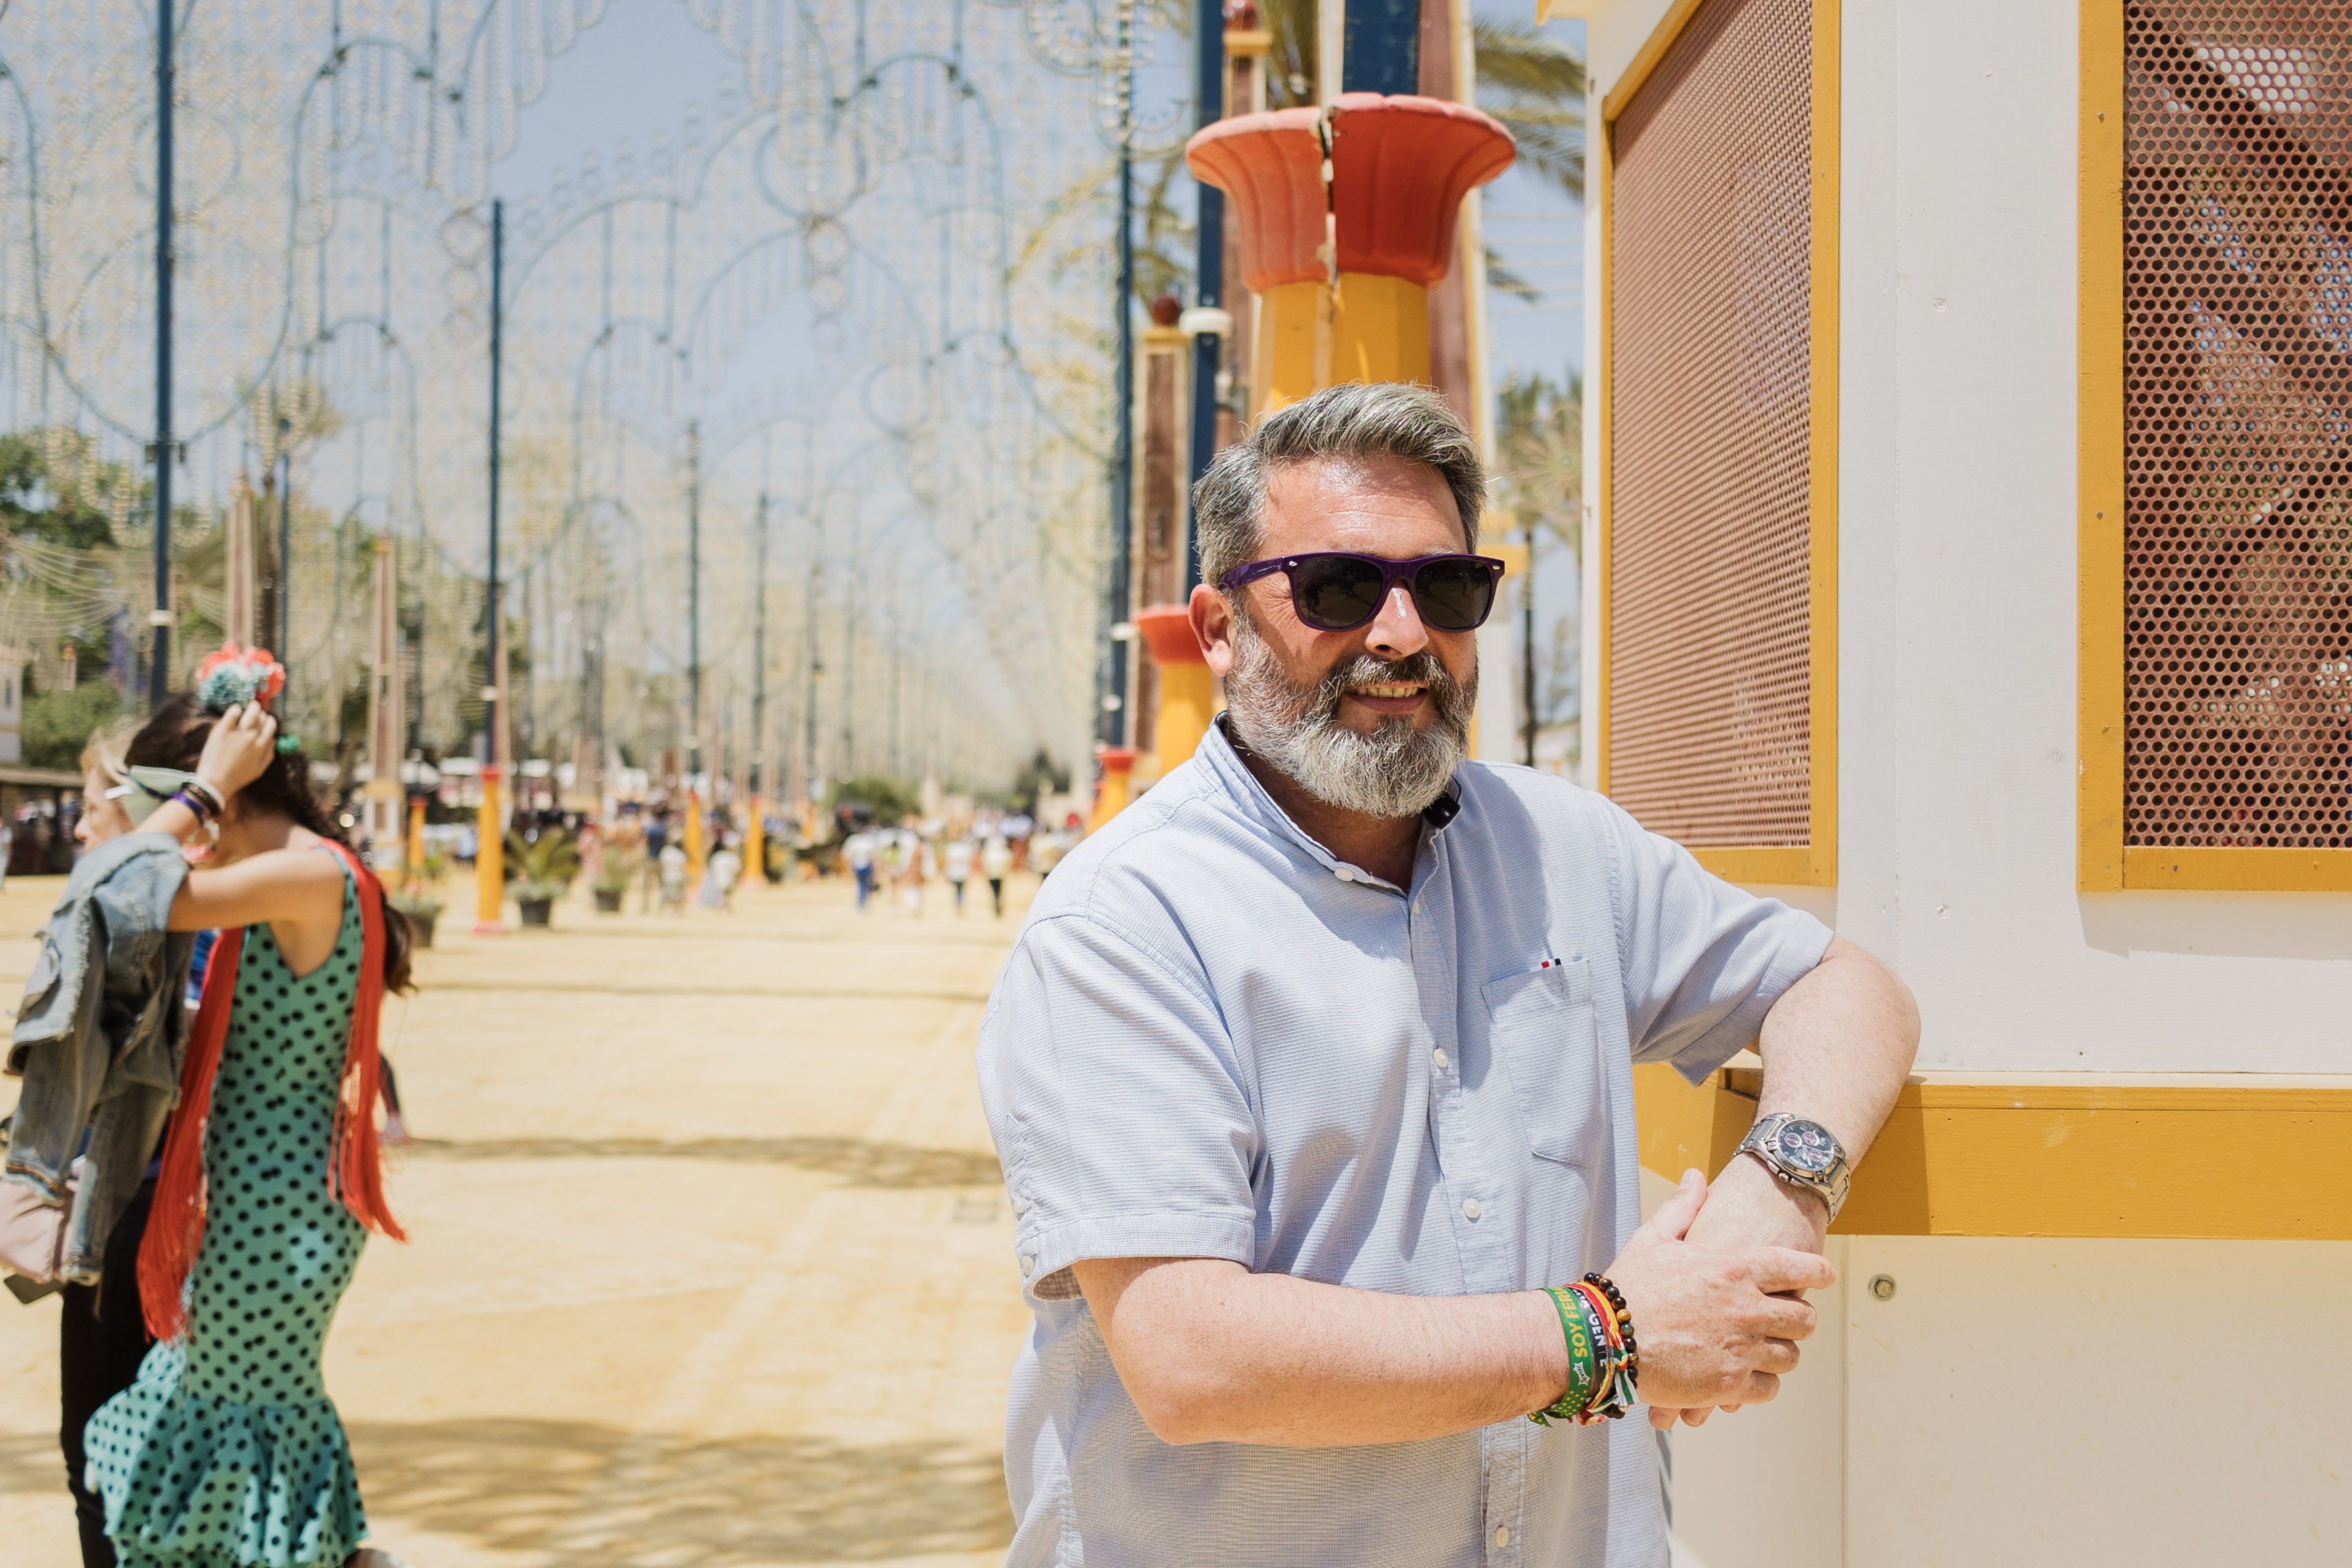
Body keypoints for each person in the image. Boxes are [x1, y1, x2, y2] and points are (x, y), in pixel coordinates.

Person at [975, 384, 1920, 1567]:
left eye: (1446, 589)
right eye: (1336, 588)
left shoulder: (1563, 847)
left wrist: (1774, 1190)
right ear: (1217, 628)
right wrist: (1606, 1338)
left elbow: (1847, 989)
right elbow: (1189, 1352)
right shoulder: (1124, 926)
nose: (1401, 635)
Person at [77, 647, 413, 1568]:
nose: (174, 826)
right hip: (270, 1199)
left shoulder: (307, 875)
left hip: (274, 1209)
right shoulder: (303, 874)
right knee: (232, 1424)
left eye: (171, 801)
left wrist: (207, 787)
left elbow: (127, 895)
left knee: (230, 1431)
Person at [843, 827, 877, 912]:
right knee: (862, 884)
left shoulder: (854, 840)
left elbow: (847, 856)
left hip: (862, 865)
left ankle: (863, 903)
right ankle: (862, 903)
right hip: (860, 865)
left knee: (862, 884)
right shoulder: (859, 841)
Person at [980, 834, 1012, 919]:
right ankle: (998, 904)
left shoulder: (989, 851)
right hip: (999, 873)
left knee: (995, 891)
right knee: (999, 890)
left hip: (993, 874)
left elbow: (984, 861)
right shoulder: (1002, 851)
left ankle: (997, 904)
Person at [942, 833, 976, 914]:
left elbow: (948, 862)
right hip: (961, 872)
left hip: (956, 872)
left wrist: (946, 872)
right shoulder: (965, 848)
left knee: (958, 890)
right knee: (961, 890)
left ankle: (959, 905)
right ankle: (960, 905)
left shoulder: (952, 848)